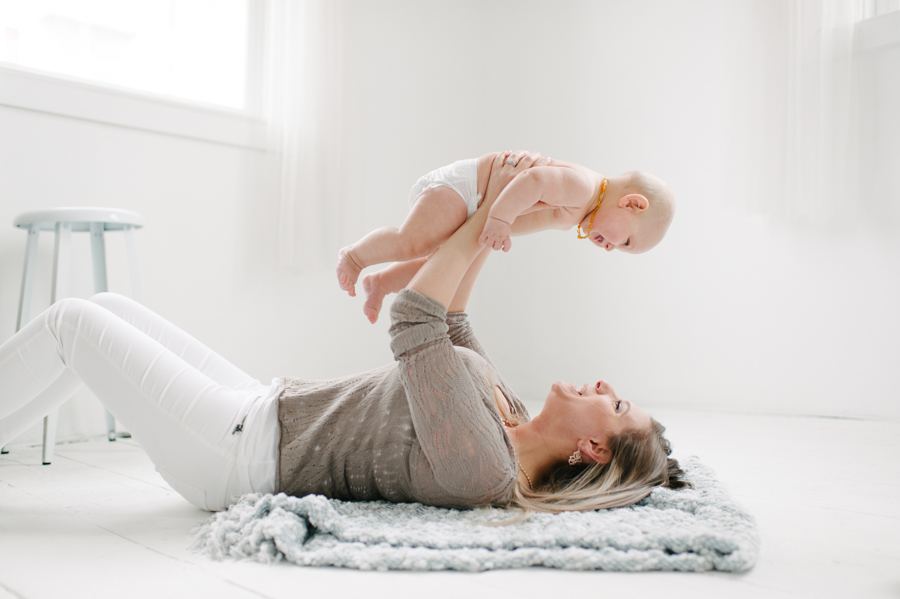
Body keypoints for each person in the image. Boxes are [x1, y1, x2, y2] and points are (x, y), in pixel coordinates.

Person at [0, 152, 687, 513]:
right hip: (261, 406)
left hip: (237, 457)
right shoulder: (505, 410)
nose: (605, 385)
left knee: (72, 324)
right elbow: (450, 320)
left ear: (593, 449)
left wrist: (489, 218)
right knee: (109, 306)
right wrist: (500, 207)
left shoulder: (484, 468)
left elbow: (415, 318)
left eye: (616, 401)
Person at [336, 150, 675, 323]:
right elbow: (534, 181)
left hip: (475, 207)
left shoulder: (586, 207)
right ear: (632, 203)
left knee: (443, 262)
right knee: (414, 242)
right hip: (466, 189)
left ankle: (382, 283)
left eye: (620, 250)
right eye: (624, 241)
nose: (612, 248)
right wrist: (499, 219)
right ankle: (354, 257)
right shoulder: (584, 186)